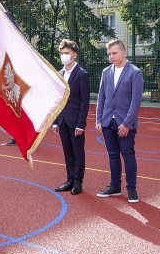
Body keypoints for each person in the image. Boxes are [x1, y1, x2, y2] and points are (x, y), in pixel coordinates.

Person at [95, 39, 143, 203]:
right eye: (109, 54)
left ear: (124, 52)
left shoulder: (135, 72)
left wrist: (127, 124)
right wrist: (99, 118)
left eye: (114, 53)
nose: (111, 56)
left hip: (125, 123)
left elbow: (135, 101)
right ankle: (115, 186)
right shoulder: (106, 72)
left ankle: (132, 189)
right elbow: (101, 97)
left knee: (128, 155)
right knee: (112, 155)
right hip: (108, 121)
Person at [52, 40, 90, 195]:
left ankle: (78, 181)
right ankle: (69, 179)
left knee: (77, 152)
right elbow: (57, 99)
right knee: (67, 151)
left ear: (74, 54)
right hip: (62, 120)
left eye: (66, 53)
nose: (64, 56)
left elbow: (84, 101)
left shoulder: (82, 74)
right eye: (62, 53)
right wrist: (55, 120)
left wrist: (81, 124)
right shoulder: (59, 74)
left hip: (75, 121)